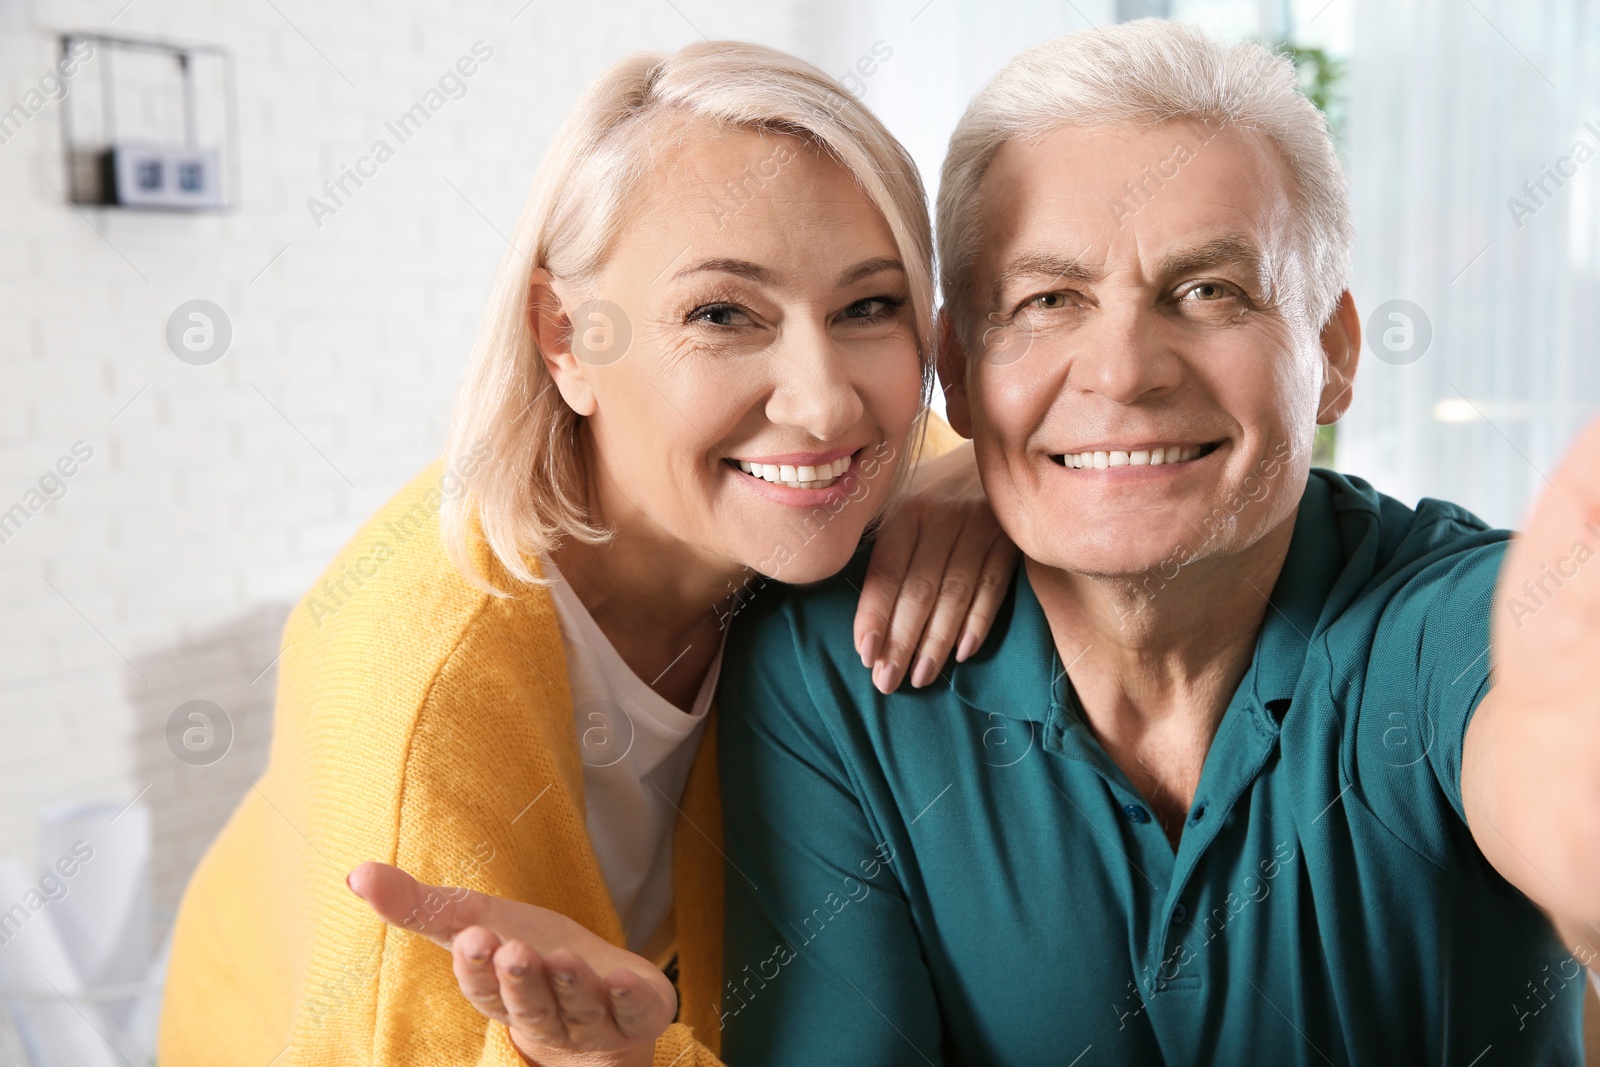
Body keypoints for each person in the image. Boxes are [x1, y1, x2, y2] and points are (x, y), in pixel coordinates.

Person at [716, 20, 1600, 1065]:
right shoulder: (830, 668)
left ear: (1331, 351)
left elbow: (1553, 746)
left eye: (1210, 292)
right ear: (954, 367)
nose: (1124, 370)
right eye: (1049, 300)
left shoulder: (1453, 621)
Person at [156, 41, 1017, 1067]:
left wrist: (993, 466)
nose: (823, 398)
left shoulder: (794, 493)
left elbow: (908, 436)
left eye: (867, 306)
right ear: (565, 336)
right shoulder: (428, 684)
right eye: (721, 314)